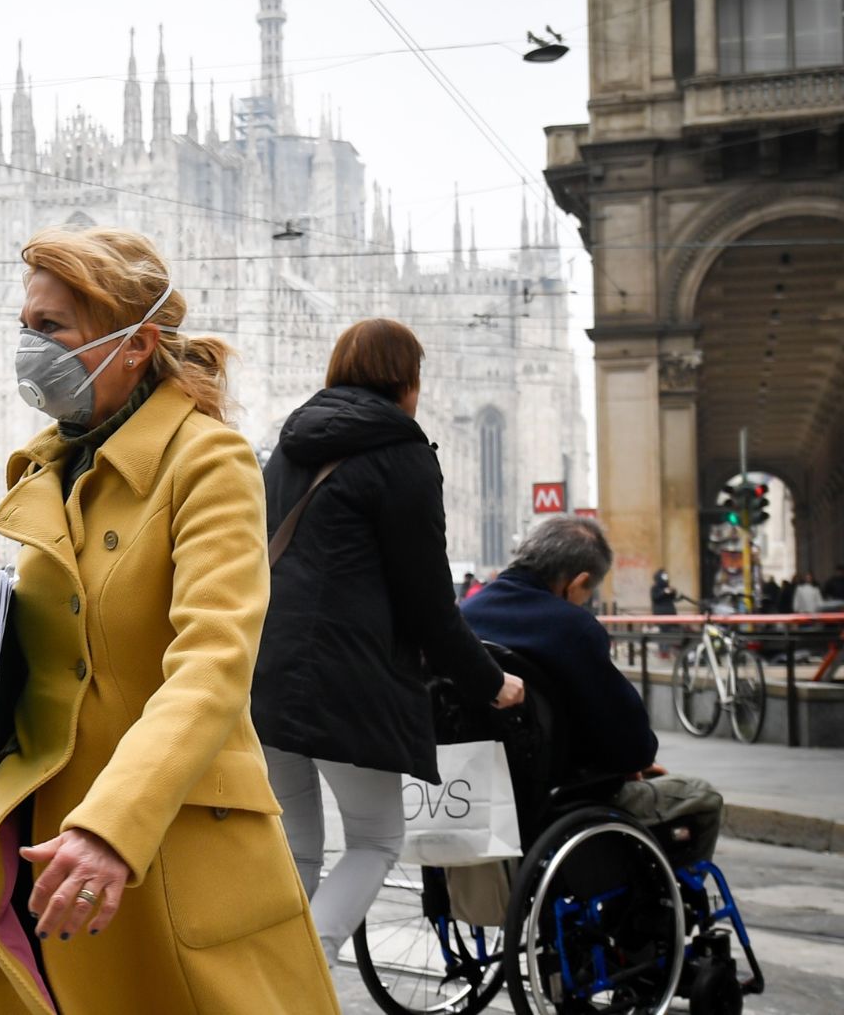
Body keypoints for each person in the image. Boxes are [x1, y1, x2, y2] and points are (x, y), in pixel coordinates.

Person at [0, 227, 338, 1014]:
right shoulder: (52, 464)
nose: (28, 346)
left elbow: (213, 664)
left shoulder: (207, 463)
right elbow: (28, 640)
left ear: (135, 343)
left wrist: (113, 826)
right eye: (26, 325)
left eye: (51, 329)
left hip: (166, 841)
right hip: (44, 834)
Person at [251, 317, 524, 957]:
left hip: (265, 672)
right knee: (375, 839)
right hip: (348, 680)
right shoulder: (403, 456)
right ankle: (297, 992)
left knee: (295, 848)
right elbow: (430, 604)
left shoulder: (290, 449)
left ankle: (261, 983)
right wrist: (491, 683)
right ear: (405, 379)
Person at [462, 515, 723, 864]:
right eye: (587, 593)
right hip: (556, 801)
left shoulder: (462, 618)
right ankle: (667, 909)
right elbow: (631, 744)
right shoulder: (572, 628)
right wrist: (639, 763)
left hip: (471, 793)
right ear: (578, 582)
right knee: (702, 797)